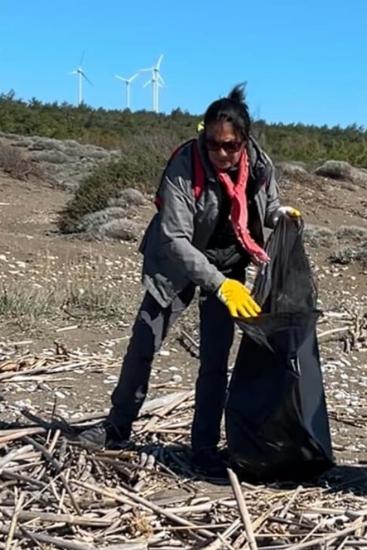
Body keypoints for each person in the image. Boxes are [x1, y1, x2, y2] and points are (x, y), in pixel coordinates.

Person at [78, 84, 300, 477]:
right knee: (143, 343)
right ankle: (116, 426)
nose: (221, 153)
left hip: (229, 263)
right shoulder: (185, 164)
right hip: (176, 264)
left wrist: (280, 215)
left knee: (215, 359)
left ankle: (204, 448)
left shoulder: (259, 165)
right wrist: (219, 284)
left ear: (245, 141)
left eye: (230, 146)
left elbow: (266, 207)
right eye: (213, 144)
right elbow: (174, 238)